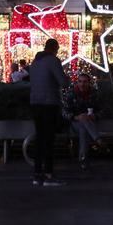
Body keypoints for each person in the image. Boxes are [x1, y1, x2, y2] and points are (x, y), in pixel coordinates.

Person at [29, 38, 69, 186]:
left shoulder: (35, 62)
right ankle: (49, 175)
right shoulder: (53, 61)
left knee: (39, 139)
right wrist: (68, 79)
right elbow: (63, 82)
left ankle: (37, 174)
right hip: (49, 104)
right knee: (48, 140)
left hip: (35, 103)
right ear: (55, 48)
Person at [62, 72, 106, 171]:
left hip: (89, 124)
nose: (82, 84)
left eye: (85, 82)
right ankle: (97, 139)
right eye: (80, 81)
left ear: (89, 83)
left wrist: (95, 116)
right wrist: (77, 117)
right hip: (74, 125)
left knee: (83, 127)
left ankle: (83, 159)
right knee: (82, 121)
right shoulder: (71, 94)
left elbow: (102, 110)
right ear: (77, 82)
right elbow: (64, 112)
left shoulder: (94, 94)